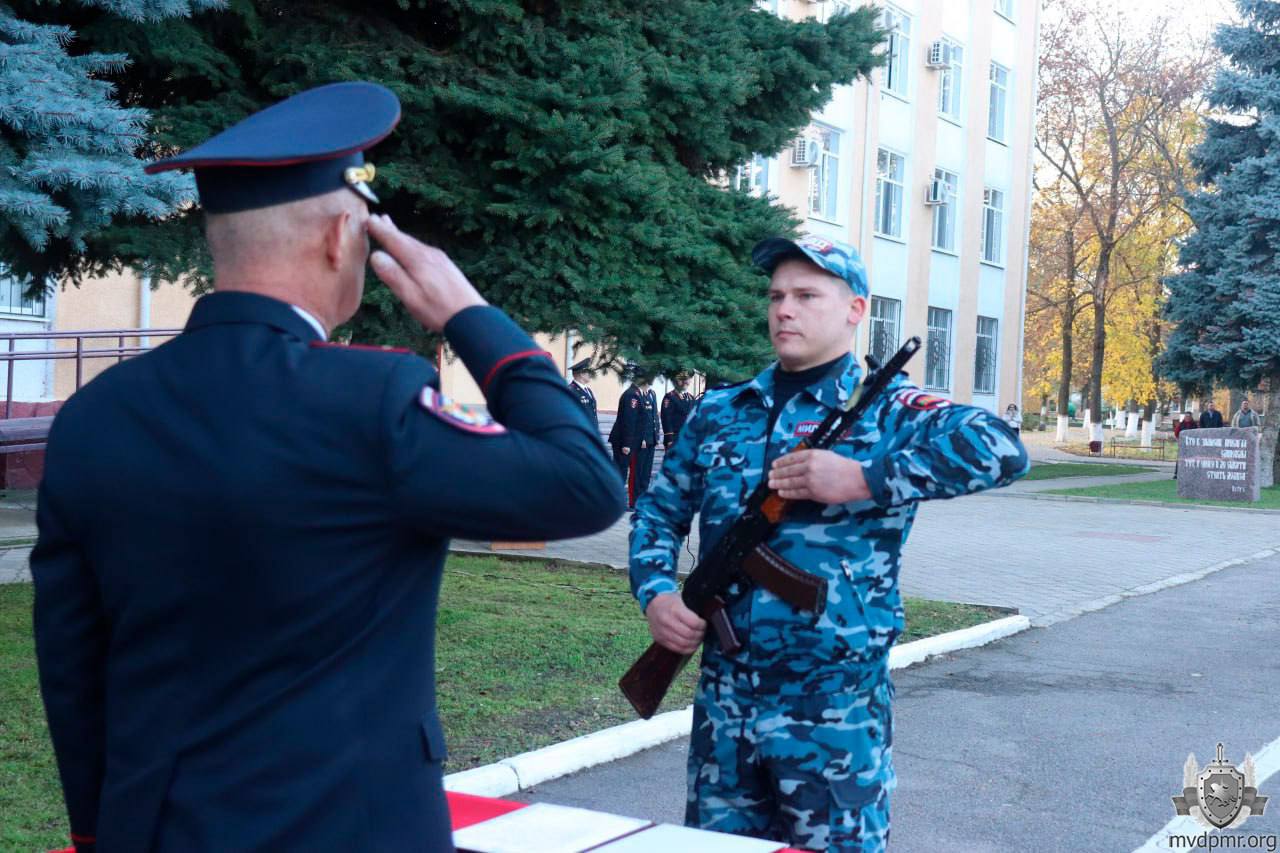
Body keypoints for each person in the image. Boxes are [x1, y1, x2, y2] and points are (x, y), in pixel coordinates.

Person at [30, 82, 625, 853]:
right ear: (343, 235)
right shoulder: (370, 399)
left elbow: (71, 667)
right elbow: (584, 485)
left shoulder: (92, 415)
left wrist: (94, 829)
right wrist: (472, 317)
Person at [629, 234, 1028, 852]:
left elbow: (1002, 449)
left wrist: (861, 478)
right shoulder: (723, 409)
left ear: (855, 310)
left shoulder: (891, 411)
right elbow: (657, 512)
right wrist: (656, 593)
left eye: (807, 295)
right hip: (726, 700)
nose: (785, 309)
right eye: (777, 295)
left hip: (833, 708)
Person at [609, 368, 660, 509]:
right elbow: (629, 421)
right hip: (624, 441)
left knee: (640, 474)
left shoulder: (644, 394)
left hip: (635, 441)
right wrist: (627, 443)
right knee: (621, 473)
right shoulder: (632, 395)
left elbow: (649, 418)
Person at [661, 371, 697, 450]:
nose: (685, 382)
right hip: (675, 438)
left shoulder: (691, 398)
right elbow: (666, 419)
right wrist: (669, 438)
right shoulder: (670, 397)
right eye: (682, 380)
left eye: (687, 379)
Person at [569, 356, 601, 436]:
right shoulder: (571, 390)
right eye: (588, 372)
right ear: (581, 374)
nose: (590, 374)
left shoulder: (588, 390)